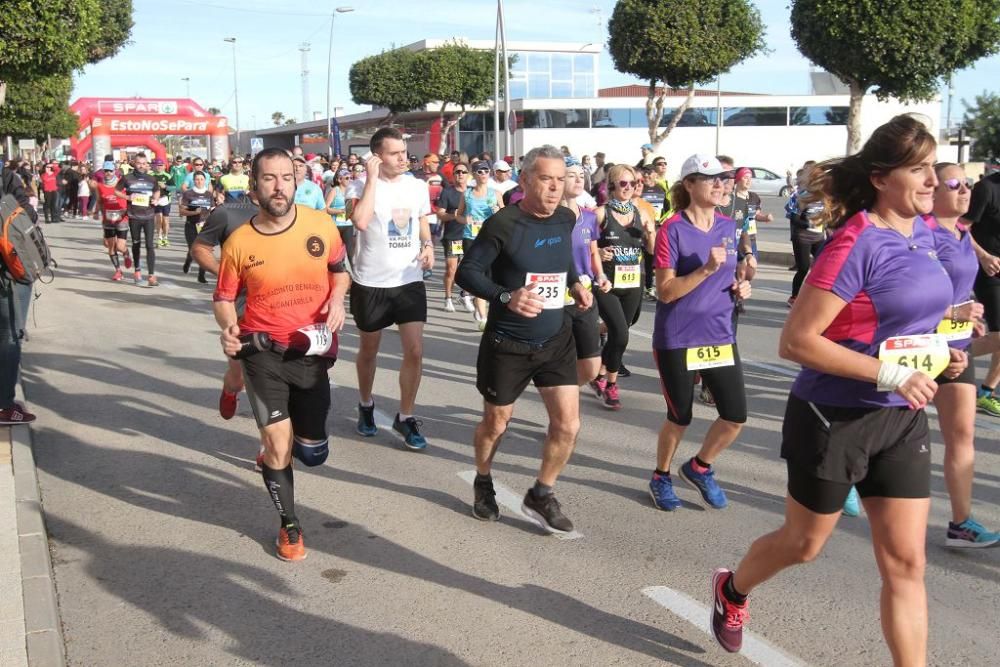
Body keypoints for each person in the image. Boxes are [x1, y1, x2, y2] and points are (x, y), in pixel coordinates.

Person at [710, 116, 964, 666]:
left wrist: (940, 355)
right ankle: (732, 589)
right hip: (833, 416)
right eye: (919, 170)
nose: (934, 182)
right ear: (880, 177)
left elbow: (906, 323)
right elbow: (796, 341)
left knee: (906, 564)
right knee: (804, 545)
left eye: (933, 169)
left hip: (901, 418)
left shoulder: (924, 236)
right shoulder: (856, 243)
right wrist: (891, 373)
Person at [214, 147, 349, 562]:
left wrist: (339, 300)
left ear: (297, 181)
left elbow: (339, 272)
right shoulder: (239, 242)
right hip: (262, 351)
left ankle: (239, 392)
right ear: (253, 187)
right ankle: (290, 525)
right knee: (276, 444)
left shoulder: (321, 225)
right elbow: (223, 297)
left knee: (311, 452)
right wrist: (228, 327)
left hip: (311, 350)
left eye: (286, 177)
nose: (279, 186)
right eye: (269, 178)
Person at [455, 144, 594, 533]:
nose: (554, 188)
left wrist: (576, 284)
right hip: (508, 342)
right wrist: (505, 296)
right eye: (545, 179)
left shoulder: (566, 218)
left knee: (568, 425)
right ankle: (484, 480)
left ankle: (542, 492)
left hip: (555, 338)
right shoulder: (504, 224)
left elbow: (561, 262)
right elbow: (469, 272)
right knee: (496, 423)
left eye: (560, 180)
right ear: (527, 180)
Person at [649, 154, 750, 512]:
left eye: (723, 178)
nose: (720, 184)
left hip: (720, 334)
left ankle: (700, 466)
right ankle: (661, 475)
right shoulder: (671, 229)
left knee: (735, 415)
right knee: (680, 416)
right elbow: (666, 291)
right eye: (711, 179)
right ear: (689, 184)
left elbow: (733, 274)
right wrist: (706, 270)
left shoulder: (727, 226)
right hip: (678, 337)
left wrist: (741, 285)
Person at [928, 163, 1000, 546]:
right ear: (932, 191)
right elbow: (906, 299)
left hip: (956, 349)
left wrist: (968, 314)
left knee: (962, 434)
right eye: (953, 183)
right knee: (878, 434)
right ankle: (844, 480)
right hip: (916, 348)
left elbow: (958, 288)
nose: (964, 189)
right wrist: (950, 313)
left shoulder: (959, 234)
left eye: (967, 183)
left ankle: (961, 523)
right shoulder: (920, 236)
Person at [349, 127, 434, 450]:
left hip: (408, 279)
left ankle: (406, 416)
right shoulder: (360, 185)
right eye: (395, 153)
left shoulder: (417, 186)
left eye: (404, 152)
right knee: (369, 349)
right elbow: (359, 220)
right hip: (371, 281)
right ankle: (366, 404)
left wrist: (427, 245)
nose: (403, 158)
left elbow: (422, 220)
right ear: (377, 157)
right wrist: (370, 180)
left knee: (415, 350)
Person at [589, 165, 655, 409]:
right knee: (621, 334)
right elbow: (585, 247)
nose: (630, 188)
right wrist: (599, 252)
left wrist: (650, 233)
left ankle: (599, 374)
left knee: (620, 332)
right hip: (607, 283)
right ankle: (612, 384)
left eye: (634, 183)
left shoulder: (643, 213)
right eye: (624, 183)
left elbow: (652, 251)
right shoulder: (599, 214)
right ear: (612, 186)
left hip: (633, 282)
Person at [563, 157, 610, 387]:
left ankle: (564, 394)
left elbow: (593, 252)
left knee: (591, 368)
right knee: (557, 362)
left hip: (584, 299)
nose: (578, 180)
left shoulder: (590, 217)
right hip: (554, 301)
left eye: (581, 175)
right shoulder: (546, 217)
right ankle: (562, 404)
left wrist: (600, 275)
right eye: (572, 175)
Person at [0, 165, 38, 424]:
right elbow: (29, 216)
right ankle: (4, 406)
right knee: (10, 335)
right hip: (9, 270)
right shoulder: (6, 178)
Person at [966, 163, 1000, 416]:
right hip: (988, 271)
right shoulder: (987, 188)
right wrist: (983, 256)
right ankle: (940, 359)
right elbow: (959, 226)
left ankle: (987, 393)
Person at [457, 159, 503, 327]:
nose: (484, 174)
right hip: (471, 237)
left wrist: (498, 211)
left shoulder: (495, 193)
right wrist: (464, 219)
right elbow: (458, 215)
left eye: (486, 171)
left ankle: (482, 307)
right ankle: (483, 318)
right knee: (478, 275)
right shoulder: (467, 194)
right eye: (480, 171)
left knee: (491, 276)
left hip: (490, 238)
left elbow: (505, 215)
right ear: (474, 174)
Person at [115, 153, 160, 287]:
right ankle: (137, 271)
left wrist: (156, 199)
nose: (141, 165)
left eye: (143, 163)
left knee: (150, 245)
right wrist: (128, 198)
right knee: (136, 244)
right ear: (134, 163)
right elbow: (116, 191)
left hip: (149, 216)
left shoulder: (151, 179)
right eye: (139, 163)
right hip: (134, 216)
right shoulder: (127, 178)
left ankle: (151, 275)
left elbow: (156, 191)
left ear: (147, 164)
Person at [786, 161, 826, 307]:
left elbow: (827, 217)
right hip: (802, 237)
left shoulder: (824, 197)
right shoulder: (802, 196)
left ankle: (815, 297)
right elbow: (794, 217)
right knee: (803, 268)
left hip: (819, 237)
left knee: (824, 266)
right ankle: (794, 297)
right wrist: (808, 224)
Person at [436, 161, 471, 312]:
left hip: (470, 236)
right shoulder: (448, 192)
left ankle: (465, 295)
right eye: (457, 172)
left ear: (468, 175)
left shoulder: (472, 192)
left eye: (463, 172)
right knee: (452, 269)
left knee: (468, 268)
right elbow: (440, 214)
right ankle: (448, 298)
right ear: (453, 175)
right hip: (454, 236)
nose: (460, 175)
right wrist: (454, 216)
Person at [94, 161, 132, 281]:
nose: (108, 173)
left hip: (122, 217)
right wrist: (96, 212)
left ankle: (126, 254)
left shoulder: (122, 183)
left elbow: (130, 197)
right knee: (110, 246)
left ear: (114, 171)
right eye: (106, 171)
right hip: (108, 218)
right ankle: (118, 271)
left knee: (120, 246)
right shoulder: (99, 186)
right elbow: (99, 201)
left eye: (110, 171)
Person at [179, 171, 214, 284]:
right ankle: (188, 261)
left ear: (205, 181)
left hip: (205, 227)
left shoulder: (209, 194)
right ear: (193, 181)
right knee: (193, 250)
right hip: (191, 226)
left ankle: (201, 275)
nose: (199, 181)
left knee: (203, 251)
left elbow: (213, 209)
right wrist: (194, 212)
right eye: (197, 179)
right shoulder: (188, 194)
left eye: (201, 179)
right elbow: (182, 211)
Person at [324, 169, 354, 261]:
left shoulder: (351, 191)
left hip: (348, 224)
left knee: (350, 251)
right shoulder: (334, 190)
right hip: (336, 225)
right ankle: (339, 270)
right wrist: (340, 211)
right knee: (337, 251)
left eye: (351, 178)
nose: (350, 180)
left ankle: (354, 274)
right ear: (339, 179)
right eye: (347, 178)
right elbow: (326, 208)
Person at [150, 158, 172, 246]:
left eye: (161, 165)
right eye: (157, 165)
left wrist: (165, 186)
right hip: (156, 200)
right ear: (154, 166)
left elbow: (174, 187)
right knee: (158, 218)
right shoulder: (151, 175)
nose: (159, 167)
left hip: (166, 200)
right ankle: (159, 237)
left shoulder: (168, 176)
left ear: (163, 166)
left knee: (165, 220)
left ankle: (165, 238)